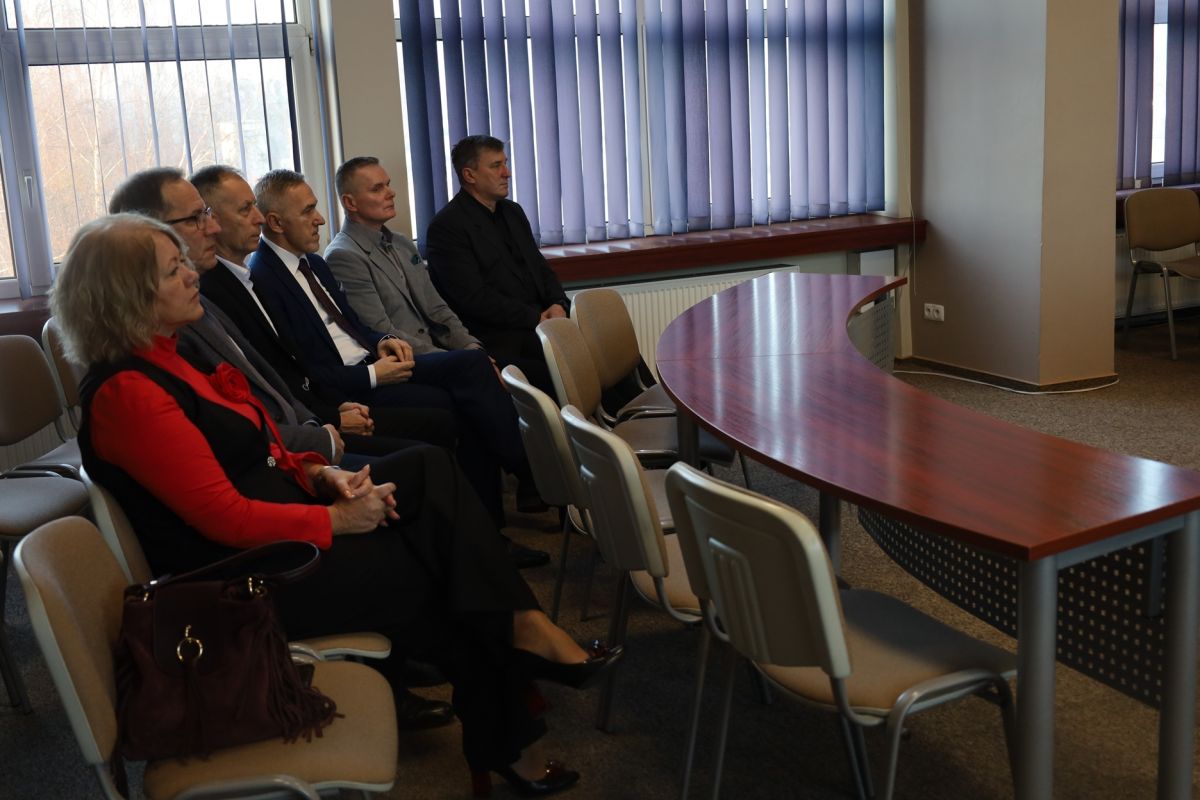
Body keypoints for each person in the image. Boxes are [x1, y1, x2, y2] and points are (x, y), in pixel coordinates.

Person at [53, 213, 622, 796]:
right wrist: (337, 519)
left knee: (428, 470)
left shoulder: (168, 357)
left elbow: (258, 449)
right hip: (246, 578)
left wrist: (321, 473)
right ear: (127, 296)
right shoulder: (129, 393)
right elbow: (225, 517)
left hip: (278, 529)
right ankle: (514, 712)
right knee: (442, 565)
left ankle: (520, 659)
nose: (192, 275)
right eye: (173, 270)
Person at [247, 169, 547, 529]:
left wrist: (382, 341)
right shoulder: (265, 278)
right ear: (276, 223)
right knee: (464, 388)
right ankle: (530, 476)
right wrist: (374, 374)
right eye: (309, 210)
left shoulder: (314, 263)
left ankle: (497, 516)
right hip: (353, 384)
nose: (320, 219)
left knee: (474, 368)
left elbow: (355, 324)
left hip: (378, 359)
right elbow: (305, 369)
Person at [425, 135, 570, 397]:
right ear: (469, 175)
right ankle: (595, 421)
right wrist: (536, 318)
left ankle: (632, 414)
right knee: (568, 363)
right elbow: (474, 299)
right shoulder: (447, 227)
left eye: (505, 163)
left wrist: (557, 302)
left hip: (540, 322)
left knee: (606, 345)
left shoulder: (512, 212)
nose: (507, 173)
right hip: (503, 335)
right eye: (496, 166)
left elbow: (540, 267)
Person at [325, 156, 483, 357]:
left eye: (388, 184)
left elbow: (436, 308)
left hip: (443, 352)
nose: (391, 193)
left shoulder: (402, 243)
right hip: (409, 360)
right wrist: (456, 360)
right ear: (350, 203)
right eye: (377, 189)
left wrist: (471, 347)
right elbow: (380, 330)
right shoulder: (343, 256)